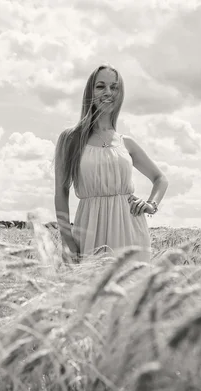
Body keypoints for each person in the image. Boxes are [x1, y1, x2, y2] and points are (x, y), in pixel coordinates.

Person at [53, 64, 169, 264]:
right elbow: (61, 192)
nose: (108, 92)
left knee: (132, 292)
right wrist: (67, 239)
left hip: (131, 231)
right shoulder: (70, 139)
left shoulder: (126, 143)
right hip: (89, 230)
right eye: (101, 86)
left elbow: (160, 179)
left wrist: (151, 204)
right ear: (90, 91)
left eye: (114, 87)